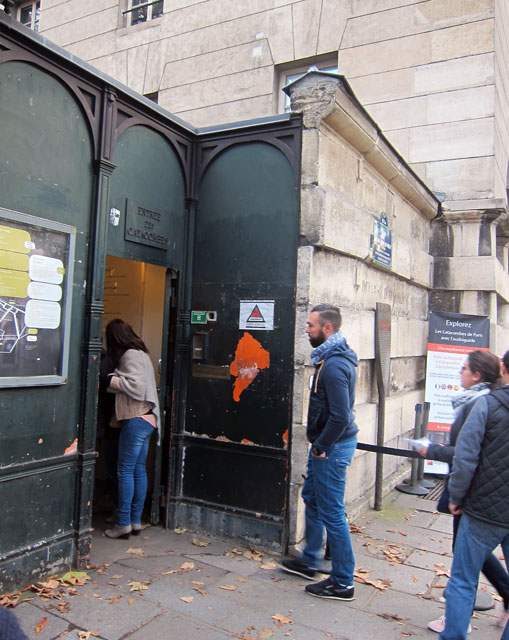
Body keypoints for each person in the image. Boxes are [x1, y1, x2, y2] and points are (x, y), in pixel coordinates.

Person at [417, 350, 509, 633]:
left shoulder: (487, 405)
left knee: (463, 579)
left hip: (484, 509)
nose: (460, 372)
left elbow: (466, 458)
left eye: (464, 368)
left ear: (503, 368)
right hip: (490, 506)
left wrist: (456, 498)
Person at [280, 304, 358, 600]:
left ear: (328, 328)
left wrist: (322, 447)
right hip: (327, 445)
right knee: (311, 498)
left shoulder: (335, 365)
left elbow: (341, 416)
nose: (306, 329)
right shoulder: (328, 360)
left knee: (332, 514)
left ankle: (343, 581)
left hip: (332, 449)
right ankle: (310, 559)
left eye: (311, 325)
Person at [104, 319, 160, 539]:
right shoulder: (141, 354)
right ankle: (135, 521)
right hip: (146, 419)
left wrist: (111, 379)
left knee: (125, 471)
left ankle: (123, 523)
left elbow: (136, 387)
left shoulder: (130, 355)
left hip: (136, 419)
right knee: (138, 470)